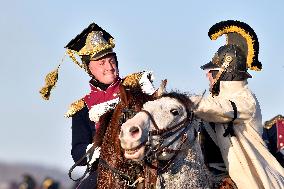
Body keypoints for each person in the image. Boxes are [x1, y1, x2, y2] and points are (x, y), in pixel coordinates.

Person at [40, 23, 155, 188]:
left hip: (145, 162)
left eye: (111, 61)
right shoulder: (82, 107)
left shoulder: (136, 86)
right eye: (102, 63)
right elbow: (77, 151)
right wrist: (96, 151)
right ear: (89, 68)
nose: (109, 67)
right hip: (106, 169)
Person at [190, 20, 284, 189]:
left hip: (250, 182)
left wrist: (184, 102)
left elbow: (220, 110)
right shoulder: (214, 102)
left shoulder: (246, 101)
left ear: (226, 71)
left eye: (211, 72)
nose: (207, 76)